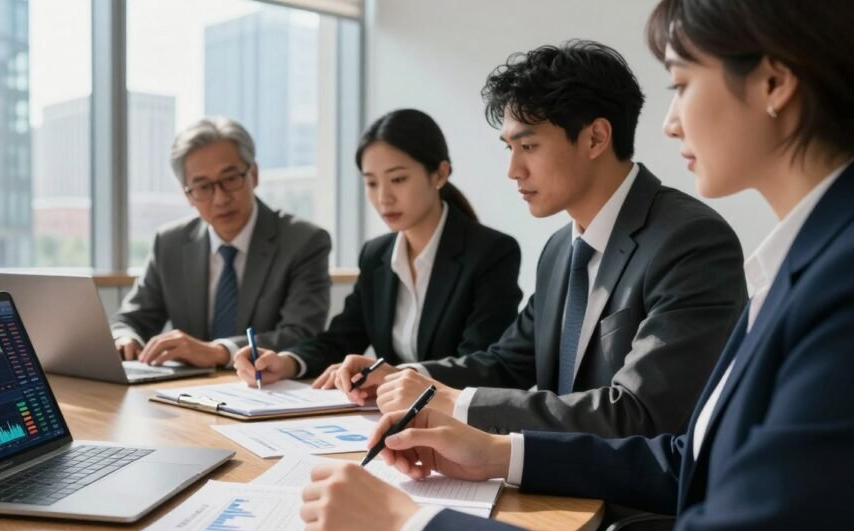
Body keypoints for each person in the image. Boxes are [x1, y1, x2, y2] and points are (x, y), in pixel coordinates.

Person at [300, 0, 854, 531]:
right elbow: (686, 458)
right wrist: (493, 450)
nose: (670, 122)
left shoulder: (722, 247)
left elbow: (653, 437)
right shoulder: (569, 250)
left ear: (773, 82)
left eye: (682, 84)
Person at [333, 40, 747, 439]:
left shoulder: (689, 241)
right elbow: (508, 363)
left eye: (528, 146)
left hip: (633, 506)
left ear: (595, 138)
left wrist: (455, 403)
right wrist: (408, 377)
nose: (513, 170)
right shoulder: (559, 251)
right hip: (551, 483)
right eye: (509, 148)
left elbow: (640, 414)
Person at [234, 109, 522, 387]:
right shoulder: (376, 255)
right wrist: (287, 362)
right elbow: (342, 339)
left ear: (439, 174)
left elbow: (479, 364)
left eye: (398, 179)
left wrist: (393, 376)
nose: (383, 198)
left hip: (454, 421)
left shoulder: (492, 253)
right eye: (371, 183)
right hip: (389, 416)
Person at [111, 117, 332, 368]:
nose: (220, 198)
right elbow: (130, 320)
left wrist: (220, 352)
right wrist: (124, 338)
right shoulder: (169, 243)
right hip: (184, 393)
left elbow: (301, 334)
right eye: (203, 186)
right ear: (188, 195)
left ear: (254, 175)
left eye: (230, 179)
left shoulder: (304, 241)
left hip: (268, 392)